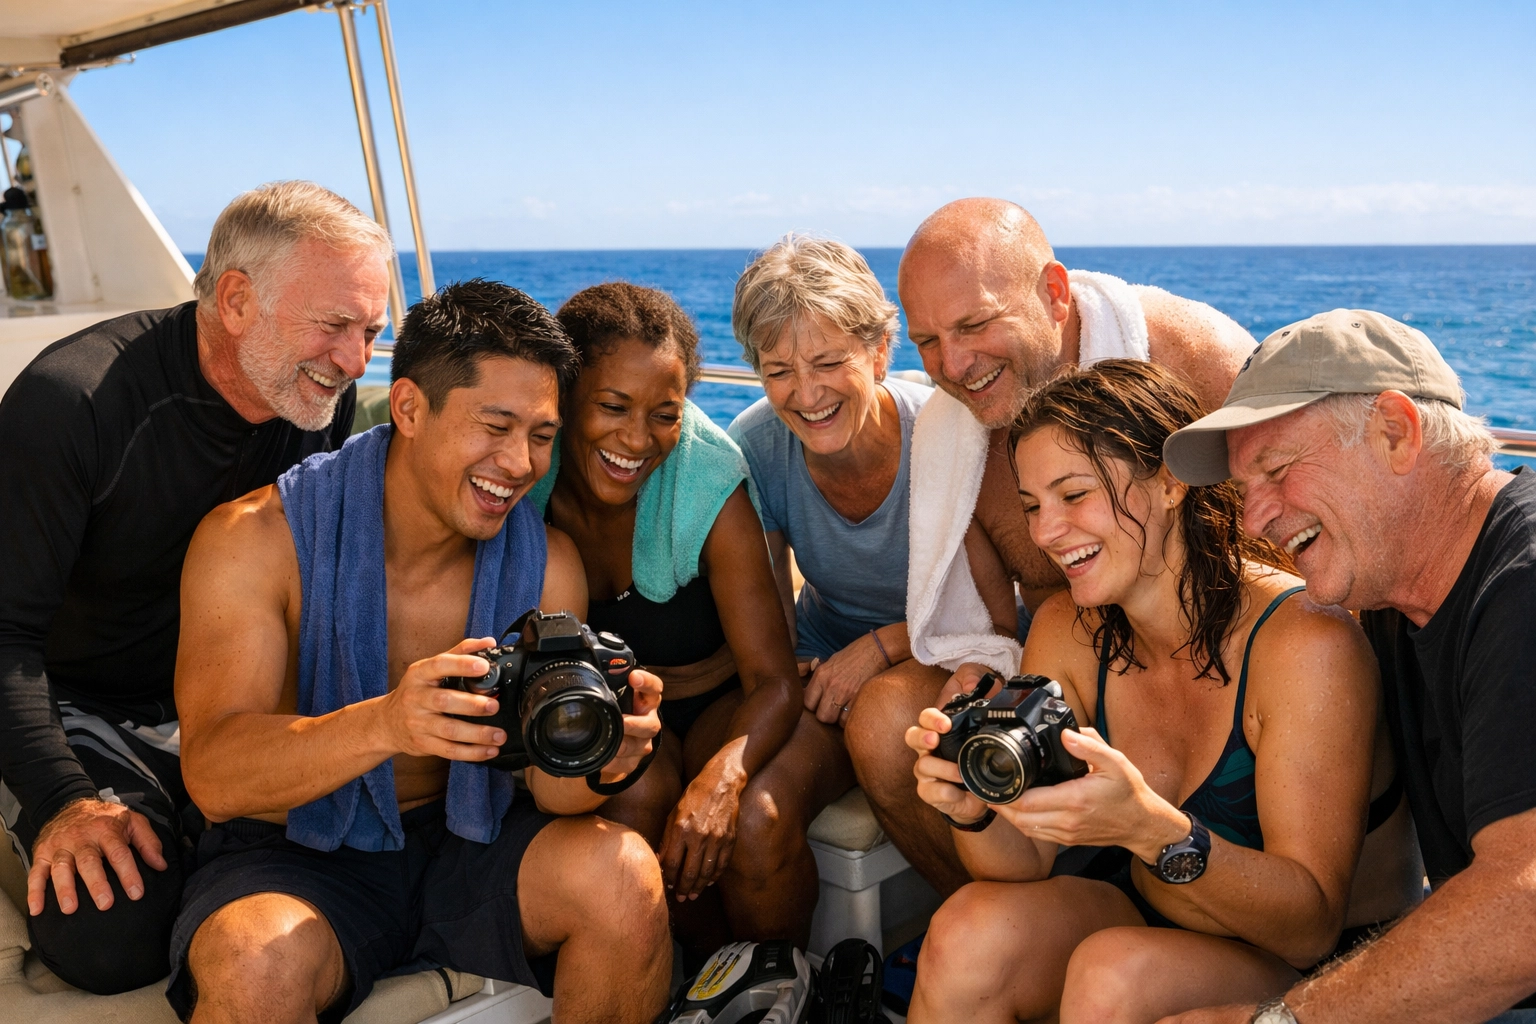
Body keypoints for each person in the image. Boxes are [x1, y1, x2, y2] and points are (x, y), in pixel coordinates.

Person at [170, 280, 671, 1024]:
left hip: (470, 834)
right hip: (296, 852)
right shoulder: (253, 542)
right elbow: (213, 776)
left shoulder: (547, 564)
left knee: (625, 879)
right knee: (252, 962)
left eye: (541, 436)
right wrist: (387, 724)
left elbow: (556, 796)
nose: (519, 463)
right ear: (407, 408)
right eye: (495, 426)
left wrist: (608, 757)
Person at [904, 359, 1419, 1024]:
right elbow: (1023, 863)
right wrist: (972, 806)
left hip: (1330, 969)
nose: (1045, 532)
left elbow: (1308, 928)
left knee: (1114, 975)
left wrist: (1149, 830)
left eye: (1073, 495)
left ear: (1171, 482)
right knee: (967, 932)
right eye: (1032, 506)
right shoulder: (1069, 628)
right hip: (1156, 913)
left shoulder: (1304, 643)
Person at [0, 180, 391, 994]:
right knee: (111, 933)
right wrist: (63, 801)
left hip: (225, 700)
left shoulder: (317, 396)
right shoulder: (73, 402)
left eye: (371, 332)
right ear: (237, 301)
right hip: (81, 702)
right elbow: (5, 633)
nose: (354, 362)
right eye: (333, 326)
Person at [846, 197, 1260, 896]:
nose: (954, 365)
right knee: (887, 723)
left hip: (1219, 679)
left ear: (1054, 295)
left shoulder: (1196, 360)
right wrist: (980, 676)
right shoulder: (954, 439)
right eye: (928, 341)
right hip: (1070, 668)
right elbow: (988, 631)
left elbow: (1290, 556)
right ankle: (1027, 912)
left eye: (974, 324)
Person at [1158, 310, 1536, 1024]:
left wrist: (1282, 1021)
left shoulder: (1522, 584)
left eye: (1276, 471)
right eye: (1244, 488)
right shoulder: (1395, 592)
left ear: (1397, 432)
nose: (1252, 519)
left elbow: (1524, 909)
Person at [528, 280, 847, 951]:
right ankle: (696, 982)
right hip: (623, 706)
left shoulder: (708, 481)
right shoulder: (531, 472)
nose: (637, 438)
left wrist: (724, 777)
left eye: (665, 414)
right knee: (633, 802)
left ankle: (781, 984)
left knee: (751, 819)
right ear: (566, 394)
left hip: (727, 702)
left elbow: (773, 680)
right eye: (613, 406)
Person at [727, 234, 932, 727]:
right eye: (780, 371)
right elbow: (775, 608)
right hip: (823, 649)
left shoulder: (940, 434)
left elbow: (989, 610)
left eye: (828, 363)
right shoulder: (756, 445)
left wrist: (879, 648)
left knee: (878, 727)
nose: (807, 394)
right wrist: (786, 673)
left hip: (938, 646)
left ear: (879, 353)